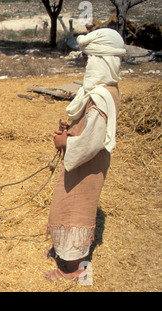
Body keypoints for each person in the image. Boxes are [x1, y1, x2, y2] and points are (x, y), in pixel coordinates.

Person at [45, 28, 126, 282]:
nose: (84, 63)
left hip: (87, 162)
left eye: (87, 58)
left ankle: (72, 269)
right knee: (67, 201)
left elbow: (91, 142)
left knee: (77, 208)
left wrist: (63, 142)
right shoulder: (100, 90)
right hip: (80, 160)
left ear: (101, 61)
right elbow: (88, 129)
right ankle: (66, 252)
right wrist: (70, 132)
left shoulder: (102, 96)